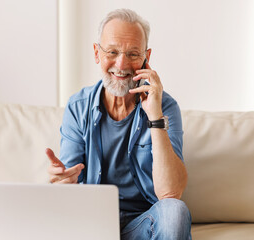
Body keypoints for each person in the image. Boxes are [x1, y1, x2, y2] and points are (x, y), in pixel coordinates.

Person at [46, 8, 192, 240]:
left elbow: (170, 193)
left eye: (133, 54)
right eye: (112, 51)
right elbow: (68, 188)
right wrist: (65, 180)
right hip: (94, 225)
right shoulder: (78, 106)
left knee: (176, 212)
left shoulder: (165, 106)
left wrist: (154, 116)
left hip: (144, 224)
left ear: (147, 57)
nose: (122, 64)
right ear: (97, 53)